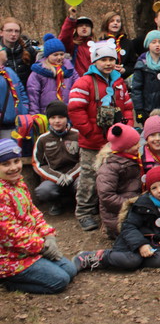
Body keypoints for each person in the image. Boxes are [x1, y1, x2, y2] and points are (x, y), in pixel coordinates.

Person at [72, 165, 160, 272]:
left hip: (156, 243)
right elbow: (128, 227)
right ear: (149, 191)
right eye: (154, 188)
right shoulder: (143, 203)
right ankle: (95, 257)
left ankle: (130, 260)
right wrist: (141, 245)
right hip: (135, 240)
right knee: (132, 260)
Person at [68, 38, 134, 232]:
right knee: (89, 176)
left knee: (112, 177)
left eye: (111, 59)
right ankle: (84, 212)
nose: (108, 63)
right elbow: (75, 110)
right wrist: (89, 132)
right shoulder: (84, 82)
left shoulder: (119, 82)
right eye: (103, 59)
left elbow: (128, 107)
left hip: (116, 141)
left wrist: (126, 129)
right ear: (94, 62)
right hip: (92, 141)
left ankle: (106, 210)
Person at [0, 139, 76, 293]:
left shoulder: (18, 184)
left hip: (29, 249)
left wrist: (48, 236)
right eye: (6, 164)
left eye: (16, 161)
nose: (13, 167)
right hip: (9, 258)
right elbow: (10, 233)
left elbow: (33, 213)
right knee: (60, 281)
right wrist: (41, 247)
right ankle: (8, 281)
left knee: (71, 270)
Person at [32, 101, 80, 216]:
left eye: (61, 117)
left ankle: (81, 205)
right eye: (53, 117)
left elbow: (84, 159)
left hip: (75, 177)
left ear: (67, 118)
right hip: (54, 179)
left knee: (85, 184)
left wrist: (71, 175)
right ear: (48, 119)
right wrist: (56, 177)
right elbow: (37, 163)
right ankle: (56, 203)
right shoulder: (42, 139)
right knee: (43, 191)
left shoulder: (77, 135)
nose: (57, 121)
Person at [95, 123, 142, 239]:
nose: (138, 146)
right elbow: (107, 196)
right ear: (124, 147)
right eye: (134, 144)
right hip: (118, 215)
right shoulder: (109, 168)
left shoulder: (132, 158)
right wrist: (131, 205)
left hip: (133, 207)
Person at [131, 30, 160, 125]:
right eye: (154, 42)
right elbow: (136, 89)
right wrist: (139, 109)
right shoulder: (141, 65)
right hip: (147, 109)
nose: (157, 45)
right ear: (148, 44)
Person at [26, 34, 76, 116]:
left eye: (61, 54)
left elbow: (77, 88)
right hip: (45, 113)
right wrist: (35, 115)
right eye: (55, 55)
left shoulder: (70, 70)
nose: (59, 57)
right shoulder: (38, 72)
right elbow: (33, 95)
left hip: (66, 112)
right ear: (47, 56)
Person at [98, 11, 137, 78]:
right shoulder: (101, 42)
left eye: (118, 21)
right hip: (105, 78)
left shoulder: (128, 43)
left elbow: (133, 64)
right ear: (106, 24)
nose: (115, 23)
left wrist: (124, 70)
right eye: (112, 21)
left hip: (123, 80)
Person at [0, 48, 28, 139]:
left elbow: (21, 91)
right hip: (3, 125)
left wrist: (24, 109)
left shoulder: (10, 72)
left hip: (17, 124)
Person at [0, 17, 37, 86]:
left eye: (16, 31)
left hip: (26, 93)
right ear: (1, 33)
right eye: (9, 30)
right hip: (5, 94)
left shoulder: (29, 50)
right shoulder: (1, 53)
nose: (13, 34)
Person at [59, 8, 93, 76]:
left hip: (93, 82)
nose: (84, 27)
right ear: (76, 29)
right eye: (80, 26)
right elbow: (64, 37)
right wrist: (71, 19)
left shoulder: (96, 46)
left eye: (87, 26)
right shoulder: (72, 45)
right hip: (76, 81)